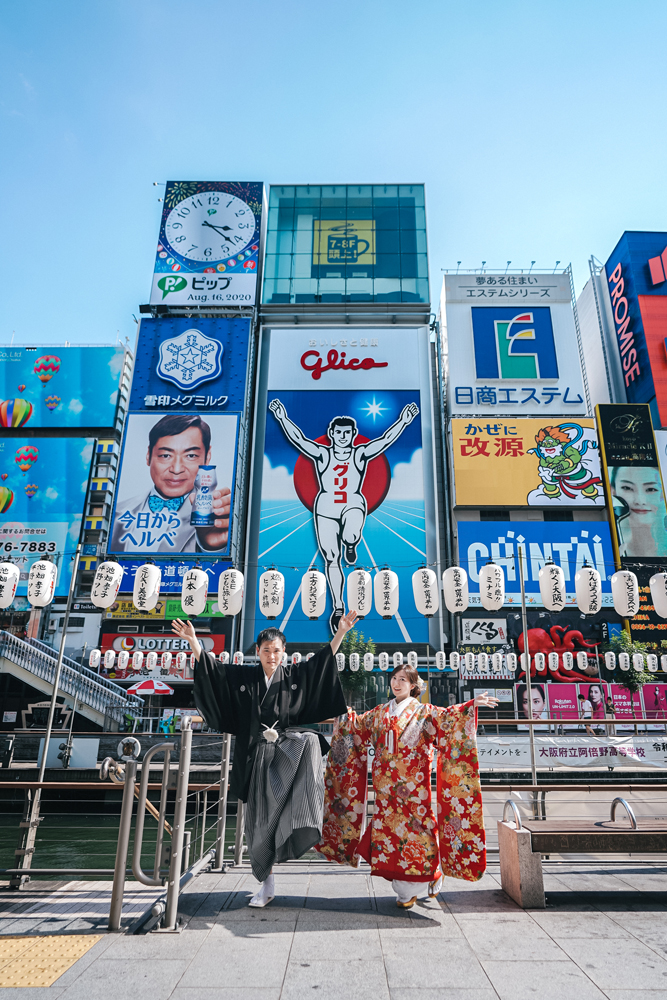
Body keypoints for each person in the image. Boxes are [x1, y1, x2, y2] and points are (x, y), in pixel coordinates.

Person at [172, 610, 355, 908]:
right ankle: (266, 884)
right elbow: (213, 670)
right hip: (254, 755)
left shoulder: (294, 676)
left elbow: (321, 662)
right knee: (258, 821)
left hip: (285, 755)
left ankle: (302, 825)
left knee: (309, 744)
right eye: (267, 651)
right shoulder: (243, 676)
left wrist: (341, 633)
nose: (272, 656)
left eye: (277, 651)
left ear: (285, 653)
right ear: (257, 652)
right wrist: (194, 642)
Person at [315, 664, 499, 908]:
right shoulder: (380, 712)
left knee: (418, 832)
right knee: (390, 836)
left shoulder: (424, 712)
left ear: (413, 686)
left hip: (414, 789)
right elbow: (355, 726)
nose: (396, 683)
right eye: (394, 678)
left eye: (403, 679)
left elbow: (448, 719)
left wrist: (470, 706)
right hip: (386, 791)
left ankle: (426, 877)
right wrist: (339, 709)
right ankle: (410, 886)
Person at [269, 399, 419, 634]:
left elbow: (384, 441)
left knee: (350, 533)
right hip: (326, 506)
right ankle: (338, 607)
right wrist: (282, 417)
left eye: (347, 433)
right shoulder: (322, 453)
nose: (342, 436)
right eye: (338, 432)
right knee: (331, 557)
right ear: (332, 433)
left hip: (353, 502)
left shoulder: (359, 454)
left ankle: (351, 543)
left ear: (353, 434)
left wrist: (403, 421)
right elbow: (298, 439)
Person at [111, 413, 231, 553]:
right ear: (148, 455)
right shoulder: (118, 512)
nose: (176, 469)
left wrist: (212, 548)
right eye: (165, 456)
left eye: (190, 456)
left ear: (207, 456)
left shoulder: (215, 515)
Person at [610, 465, 667, 558]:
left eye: (651, 489)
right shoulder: (610, 548)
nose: (640, 501)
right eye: (627, 488)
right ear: (613, 491)